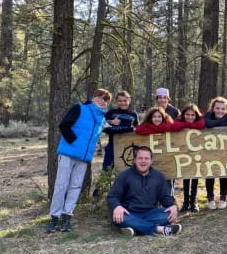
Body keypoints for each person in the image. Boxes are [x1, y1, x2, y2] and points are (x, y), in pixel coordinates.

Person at [46, 88, 112, 233]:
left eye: (106, 100)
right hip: (68, 153)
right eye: (100, 97)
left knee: (75, 187)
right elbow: (64, 125)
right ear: (94, 97)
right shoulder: (80, 108)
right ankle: (54, 218)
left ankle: (67, 216)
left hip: (83, 158)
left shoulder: (101, 119)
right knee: (61, 185)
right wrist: (74, 141)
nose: (103, 101)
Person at [106, 146, 181, 236]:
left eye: (146, 158)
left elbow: (164, 197)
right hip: (130, 213)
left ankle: (135, 229)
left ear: (151, 161)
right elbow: (112, 197)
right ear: (134, 160)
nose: (143, 161)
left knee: (167, 214)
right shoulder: (124, 175)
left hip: (151, 213)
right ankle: (158, 229)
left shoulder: (159, 176)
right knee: (120, 218)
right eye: (140, 158)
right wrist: (117, 207)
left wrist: (172, 206)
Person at [171, 104, 205, 213]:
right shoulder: (178, 121)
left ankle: (193, 202)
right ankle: (185, 203)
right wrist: (186, 125)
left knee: (195, 177)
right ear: (183, 115)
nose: (190, 117)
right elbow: (174, 126)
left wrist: (188, 126)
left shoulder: (199, 121)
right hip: (184, 153)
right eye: (187, 115)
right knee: (186, 178)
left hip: (196, 153)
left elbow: (201, 124)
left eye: (192, 115)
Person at [204, 96, 227, 210]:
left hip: (224, 150)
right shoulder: (208, 116)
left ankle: (223, 198)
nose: (220, 111)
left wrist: (215, 123)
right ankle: (210, 198)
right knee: (210, 174)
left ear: (226, 109)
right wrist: (221, 122)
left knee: (224, 173)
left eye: (223, 109)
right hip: (210, 150)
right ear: (213, 109)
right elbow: (208, 123)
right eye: (217, 108)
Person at [101, 91, 139, 171]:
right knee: (107, 170)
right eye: (120, 101)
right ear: (117, 101)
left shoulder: (133, 115)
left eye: (125, 100)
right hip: (112, 145)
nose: (122, 103)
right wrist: (110, 122)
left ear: (129, 101)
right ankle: (105, 183)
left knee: (127, 170)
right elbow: (104, 128)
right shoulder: (111, 113)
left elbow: (137, 130)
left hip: (129, 146)